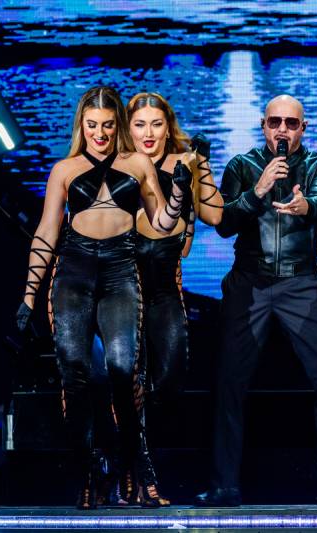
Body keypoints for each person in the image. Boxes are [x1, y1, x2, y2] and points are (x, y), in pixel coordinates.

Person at [15, 86, 187, 509]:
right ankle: (88, 475)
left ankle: (136, 471)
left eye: (108, 125)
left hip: (119, 269)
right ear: (82, 125)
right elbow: (47, 231)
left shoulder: (138, 163)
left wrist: (180, 193)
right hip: (73, 271)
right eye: (92, 126)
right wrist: (28, 296)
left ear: (118, 125)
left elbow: (163, 222)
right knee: (74, 375)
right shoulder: (65, 169)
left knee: (123, 369)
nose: (100, 133)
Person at [195, 94, 317, 507]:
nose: (282, 131)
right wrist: (257, 191)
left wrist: (304, 204)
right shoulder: (241, 166)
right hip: (249, 280)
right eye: (275, 122)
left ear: (303, 128)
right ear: (263, 125)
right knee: (228, 382)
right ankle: (224, 485)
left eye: (291, 124)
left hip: (301, 281)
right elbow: (224, 225)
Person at [124, 92, 223, 503]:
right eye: (140, 125)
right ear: (129, 128)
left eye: (156, 124)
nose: (148, 133)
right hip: (123, 286)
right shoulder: (120, 165)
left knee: (170, 377)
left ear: (169, 126)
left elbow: (215, 217)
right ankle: (136, 475)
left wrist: (205, 168)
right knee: (126, 381)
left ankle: (130, 449)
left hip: (165, 286)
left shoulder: (188, 162)